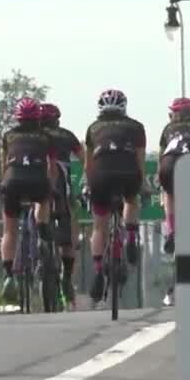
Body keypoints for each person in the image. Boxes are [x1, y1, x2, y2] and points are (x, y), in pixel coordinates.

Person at [83, 88, 147, 305]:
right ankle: (130, 234)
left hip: (100, 177)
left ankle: (99, 269)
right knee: (131, 199)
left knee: (99, 226)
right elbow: (140, 162)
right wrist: (143, 184)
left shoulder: (92, 128)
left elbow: (88, 165)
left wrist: (87, 185)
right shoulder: (137, 127)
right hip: (128, 173)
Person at [0, 98, 58, 303]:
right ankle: (41, 230)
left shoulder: (8, 136)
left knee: (9, 231)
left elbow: (4, 162)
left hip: (12, 182)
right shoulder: (46, 136)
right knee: (43, 200)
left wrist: (1, 184)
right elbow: (52, 166)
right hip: (37, 181)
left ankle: (8, 274)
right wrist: (52, 186)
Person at [157, 97, 190, 305]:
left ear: (179, 115)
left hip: (168, 166)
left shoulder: (168, 129)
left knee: (168, 193)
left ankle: (172, 230)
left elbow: (160, 158)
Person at [41, 102, 83, 306]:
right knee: (68, 221)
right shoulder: (66, 135)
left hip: (29, 186)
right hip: (60, 189)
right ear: (57, 119)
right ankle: (67, 276)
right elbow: (85, 158)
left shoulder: (28, 136)